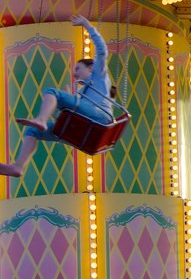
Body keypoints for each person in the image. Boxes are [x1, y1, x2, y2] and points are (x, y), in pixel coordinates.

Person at [0, 16, 116, 177]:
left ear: (90, 68)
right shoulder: (82, 95)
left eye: (78, 69)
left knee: (52, 92)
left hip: (100, 118)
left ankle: (40, 119)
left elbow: (102, 49)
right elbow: (63, 119)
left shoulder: (99, 75)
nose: (75, 74)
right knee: (32, 130)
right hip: (83, 131)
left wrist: (87, 25)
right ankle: (17, 167)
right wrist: (66, 103)